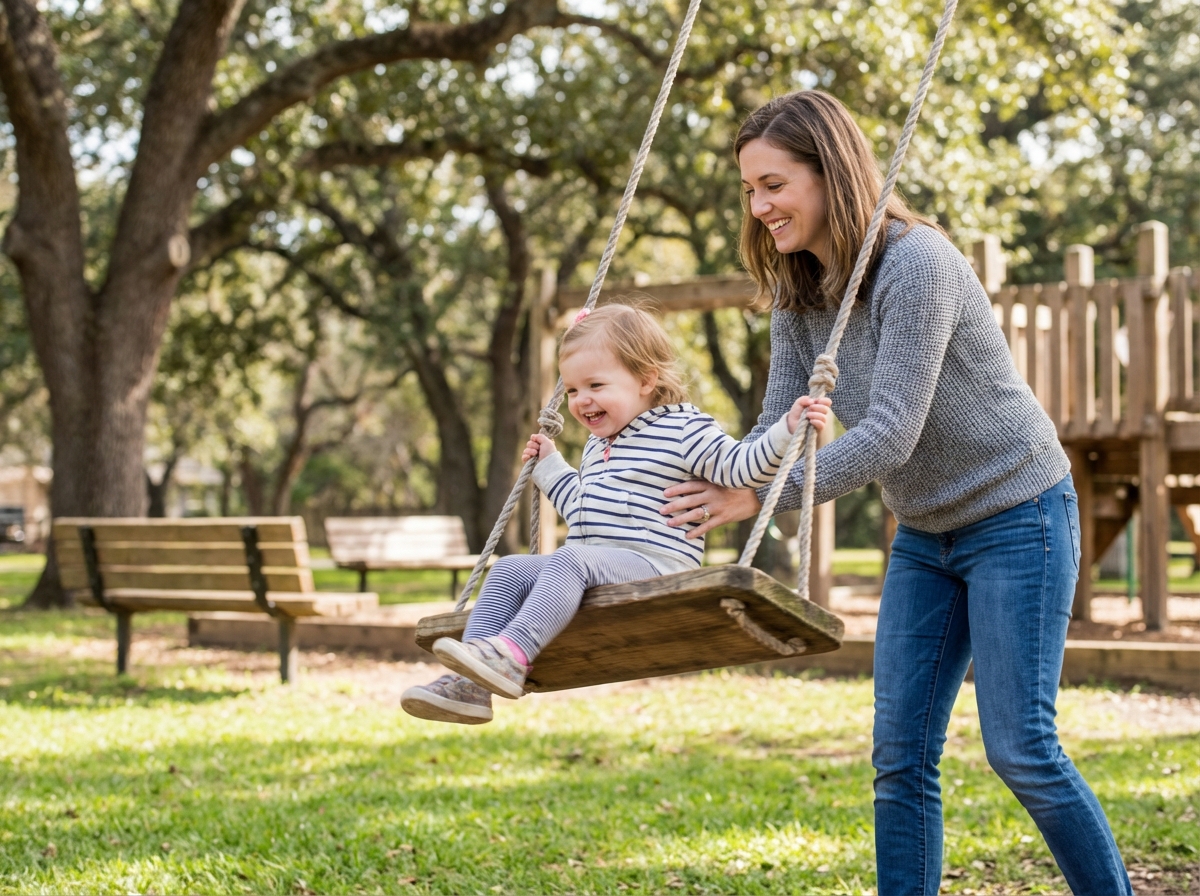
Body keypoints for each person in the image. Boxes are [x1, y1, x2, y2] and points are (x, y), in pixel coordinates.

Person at [659, 90, 1132, 894]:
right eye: (749, 189)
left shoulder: (919, 263)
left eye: (773, 183)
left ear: (828, 171)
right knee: (900, 757)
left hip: (1020, 514)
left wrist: (760, 502)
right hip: (926, 534)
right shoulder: (801, 291)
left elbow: (888, 435)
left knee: (1022, 749)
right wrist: (707, 473)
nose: (759, 205)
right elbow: (778, 428)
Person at [401, 303, 830, 725]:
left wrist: (785, 431)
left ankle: (513, 655)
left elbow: (742, 467)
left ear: (646, 379)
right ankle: (471, 680)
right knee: (509, 569)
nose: (581, 401)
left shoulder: (684, 428)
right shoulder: (597, 445)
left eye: (595, 386)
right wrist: (550, 467)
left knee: (571, 559)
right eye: (571, 390)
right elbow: (581, 511)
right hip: (596, 561)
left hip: (653, 564)